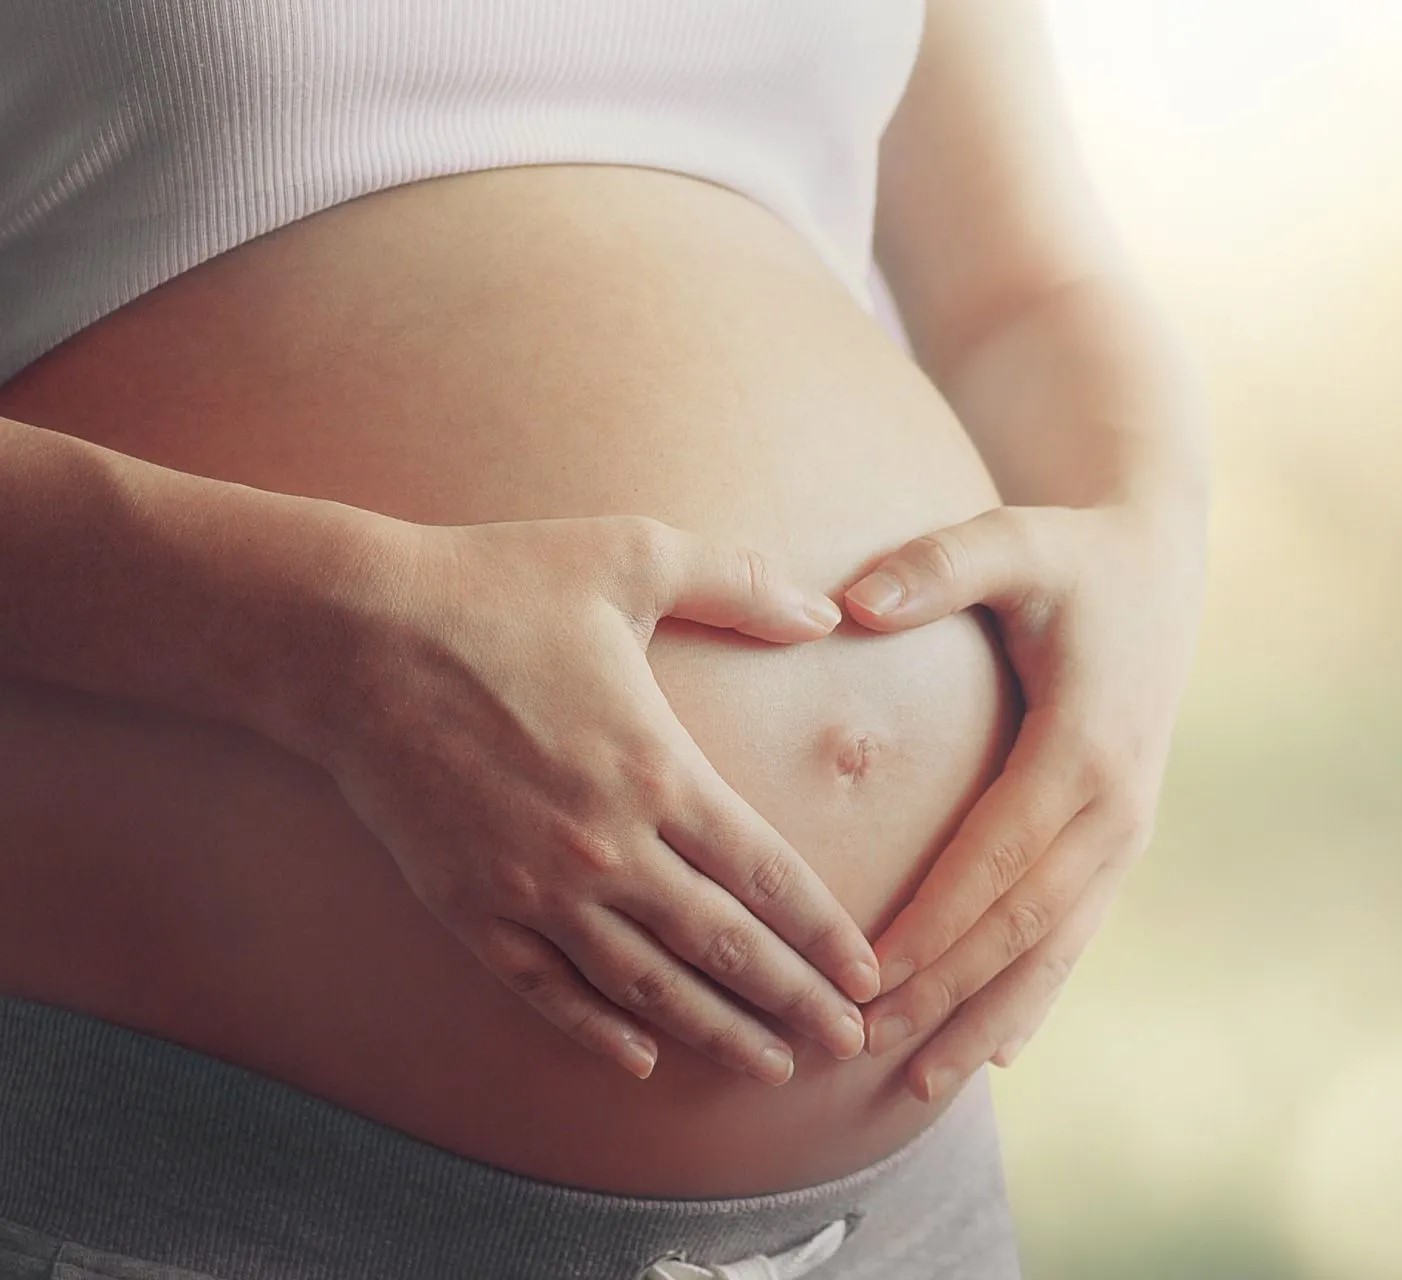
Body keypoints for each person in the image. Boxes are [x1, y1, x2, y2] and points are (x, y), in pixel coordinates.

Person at [0, 1, 1209, 1276]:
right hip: (194, 1188)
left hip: (902, 1210)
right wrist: (312, 636)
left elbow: (1026, 287)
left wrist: (1147, 541)